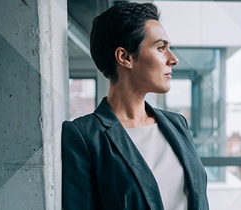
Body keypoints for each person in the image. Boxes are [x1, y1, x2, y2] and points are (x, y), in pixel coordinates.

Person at [61, 2, 209, 210]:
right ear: (125, 57)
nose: (173, 59)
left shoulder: (177, 124)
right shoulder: (84, 137)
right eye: (161, 48)